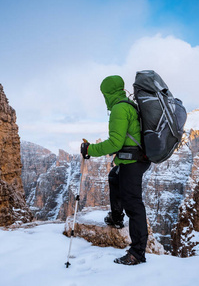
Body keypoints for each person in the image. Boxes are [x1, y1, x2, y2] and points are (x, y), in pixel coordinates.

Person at [80, 75, 151, 266]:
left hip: (132, 162)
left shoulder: (119, 109)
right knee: (114, 176)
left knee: (134, 205)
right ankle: (116, 217)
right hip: (135, 159)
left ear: (107, 93)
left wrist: (89, 150)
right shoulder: (127, 104)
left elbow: (114, 143)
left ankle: (137, 253)